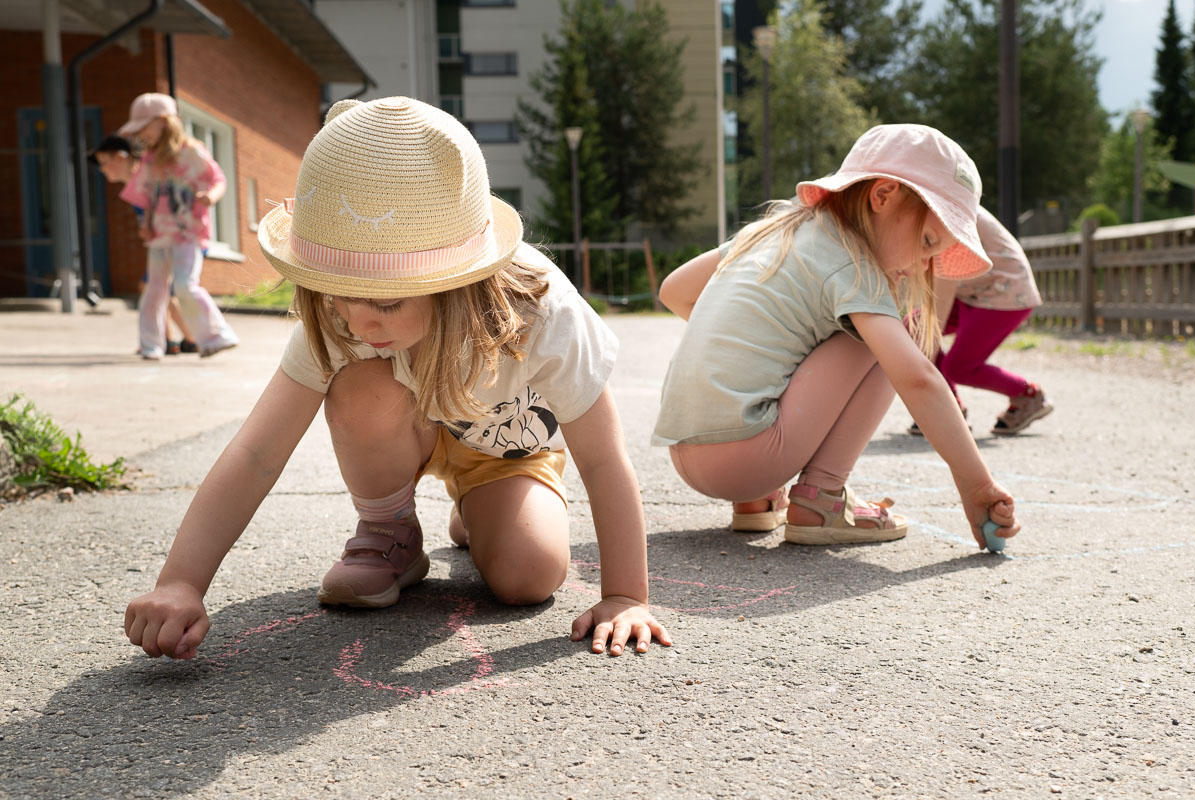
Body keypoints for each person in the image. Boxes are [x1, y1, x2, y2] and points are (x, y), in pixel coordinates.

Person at [124, 97, 671, 661]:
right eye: (339, 293)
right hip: (397, 426)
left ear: (457, 281)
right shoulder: (340, 317)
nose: (362, 320)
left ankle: (479, 511)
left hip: (503, 452)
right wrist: (180, 581)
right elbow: (257, 452)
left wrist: (626, 594)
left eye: (387, 301)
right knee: (364, 383)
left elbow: (604, 458)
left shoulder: (541, 310)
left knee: (528, 576)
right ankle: (392, 535)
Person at [654, 124, 1020, 548]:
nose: (922, 267)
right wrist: (976, 487)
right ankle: (822, 497)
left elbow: (674, 291)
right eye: (925, 241)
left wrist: (746, 336)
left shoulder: (774, 229)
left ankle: (755, 502)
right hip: (748, 458)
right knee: (887, 343)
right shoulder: (855, 264)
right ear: (882, 196)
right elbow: (917, 378)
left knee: (815, 338)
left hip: (684, 451)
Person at [907, 206, 1051, 437]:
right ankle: (948, 404)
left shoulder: (943, 216)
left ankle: (1027, 394)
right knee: (911, 328)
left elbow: (937, 313)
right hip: (970, 291)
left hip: (1005, 291)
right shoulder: (924, 209)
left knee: (958, 366)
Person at [116, 93, 238, 360]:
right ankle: (151, 345)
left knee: (184, 285)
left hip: (187, 234)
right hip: (159, 236)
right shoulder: (149, 159)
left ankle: (216, 336)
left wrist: (211, 197)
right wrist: (144, 224)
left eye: (143, 128)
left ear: (163, 122)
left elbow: (218, 180)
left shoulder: (192, 151)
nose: (141, 136)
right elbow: (147, 196)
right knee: (154, 290)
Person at [90, 134, 198, 355]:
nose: (102, 169)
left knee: (156, 288)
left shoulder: (146, 178)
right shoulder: (135, 185)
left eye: (104, 162)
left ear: (120, 158)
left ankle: (188, 338)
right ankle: (172, 339)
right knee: (157, 289)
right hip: (165, 241)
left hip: (182, 239)